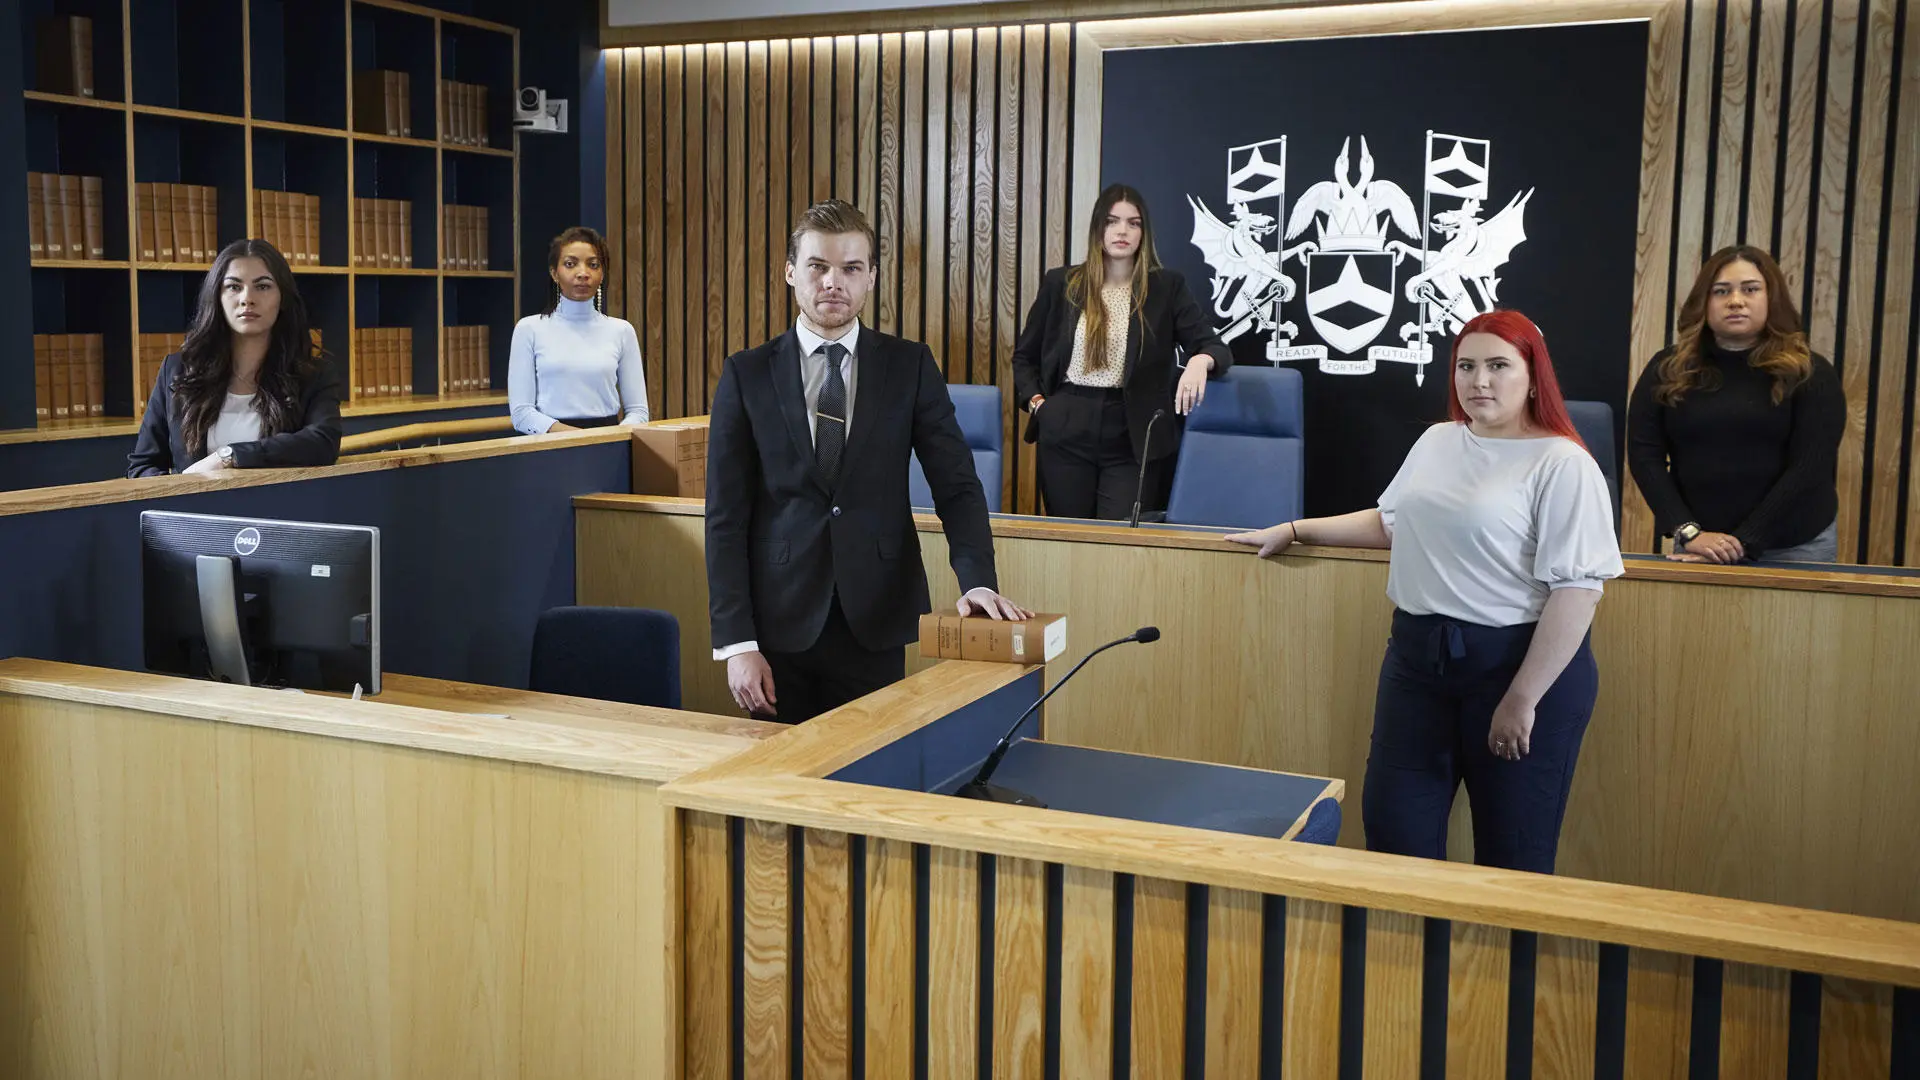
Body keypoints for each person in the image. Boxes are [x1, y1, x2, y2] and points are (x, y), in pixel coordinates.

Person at [1225, 310, 1622, 874]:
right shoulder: (1439, 439)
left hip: (1519, 672)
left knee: (1512, 858)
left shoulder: (1562, 463)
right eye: (1466, 366)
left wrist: (1521, 699)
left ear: (1534, 377)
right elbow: (1392, 523)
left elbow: (1578, 591)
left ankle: (1496, 967)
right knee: (1393, 836)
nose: (1479, 381)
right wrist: (1296, 529)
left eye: (1498, 366)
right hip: (1417, 664)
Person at [706, 199, 1031, 723]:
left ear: (872, 277)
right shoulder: (747, 374)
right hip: (776, 626)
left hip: (876, 618)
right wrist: (735, 641)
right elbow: (725, 517)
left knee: (869, 780)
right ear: (791, 271)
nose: (833, 282)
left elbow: (958, 485)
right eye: (818, 266)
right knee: (777, 788)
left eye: (851, 268)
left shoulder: (909, 366)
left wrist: (976, 580)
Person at [1012, 183, 1232, 519]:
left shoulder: (1166, 288)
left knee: (1119, 545)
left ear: (1144, 232)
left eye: (1133, 223)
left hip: (1132, 432)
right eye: (1112, 221)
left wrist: (1200, 361)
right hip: (1066, 420)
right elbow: (1024, 358)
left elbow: (1212, 344)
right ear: (1098, 228)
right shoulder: (1062, 283)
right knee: (1070, 540)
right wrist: (1040, 405)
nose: (1122, 231)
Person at [1626, 245, 1845, 564]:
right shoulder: (1668, 368)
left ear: (1772, 298)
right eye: (1721, 291)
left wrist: (1741, 543)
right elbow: (1645, 455)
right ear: (1705, 301)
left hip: (1795, 545)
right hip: (1700, 543)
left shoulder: (1809, 371)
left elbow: (1809, 467)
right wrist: (1688, 533)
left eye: (1751, 289)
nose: (1736, 301)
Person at [127, 239, 342, 477]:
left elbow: (322, 443)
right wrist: (180, 494)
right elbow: (142, 466)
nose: (246, 298)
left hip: (277, 510)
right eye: (233, 286)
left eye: (262, 286)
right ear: (217, 297)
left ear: (283, 298)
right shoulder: (177, 370)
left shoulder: (314, 375)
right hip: (193, 511)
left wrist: (228, 456)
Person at [508, 226, 650, 433]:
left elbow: (638, 411)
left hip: (608, 443)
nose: (583, 273)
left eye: (593, 265)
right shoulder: (529, 329)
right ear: (554, 273)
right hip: (548, 443)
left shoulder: (622, 331)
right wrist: (579, 439)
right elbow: (521, 414)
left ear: (602, 274)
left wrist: (607, 439)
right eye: (570, 264)